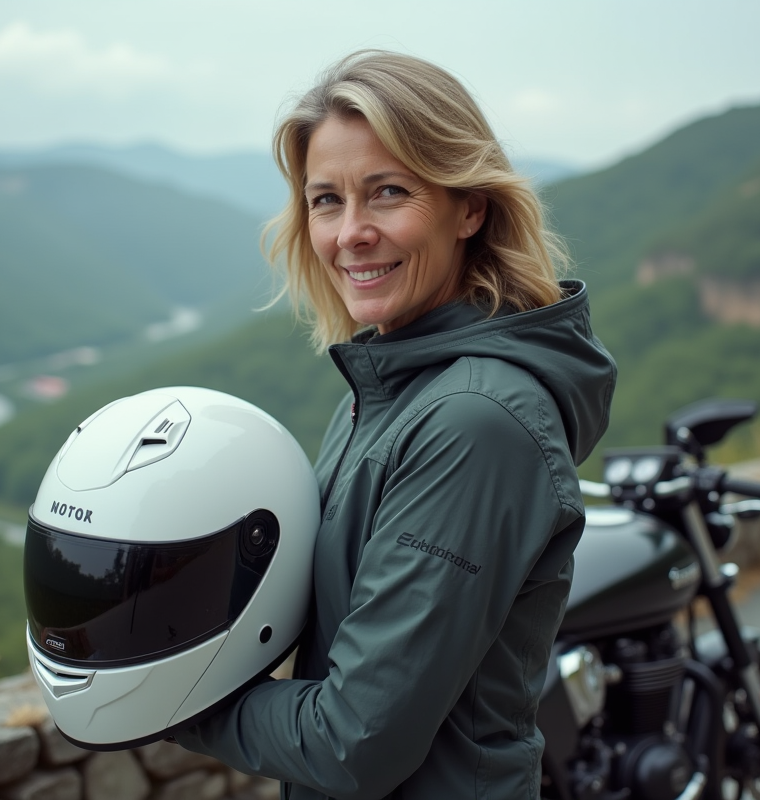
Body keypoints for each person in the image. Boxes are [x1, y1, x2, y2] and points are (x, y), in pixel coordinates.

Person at [172, 49, 617, 800]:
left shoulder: (474, 424)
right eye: (325, 200)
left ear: (469, 207)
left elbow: (356, 741)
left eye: (387, 193)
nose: (351, 233)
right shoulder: (382, 391)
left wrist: (166, 697)